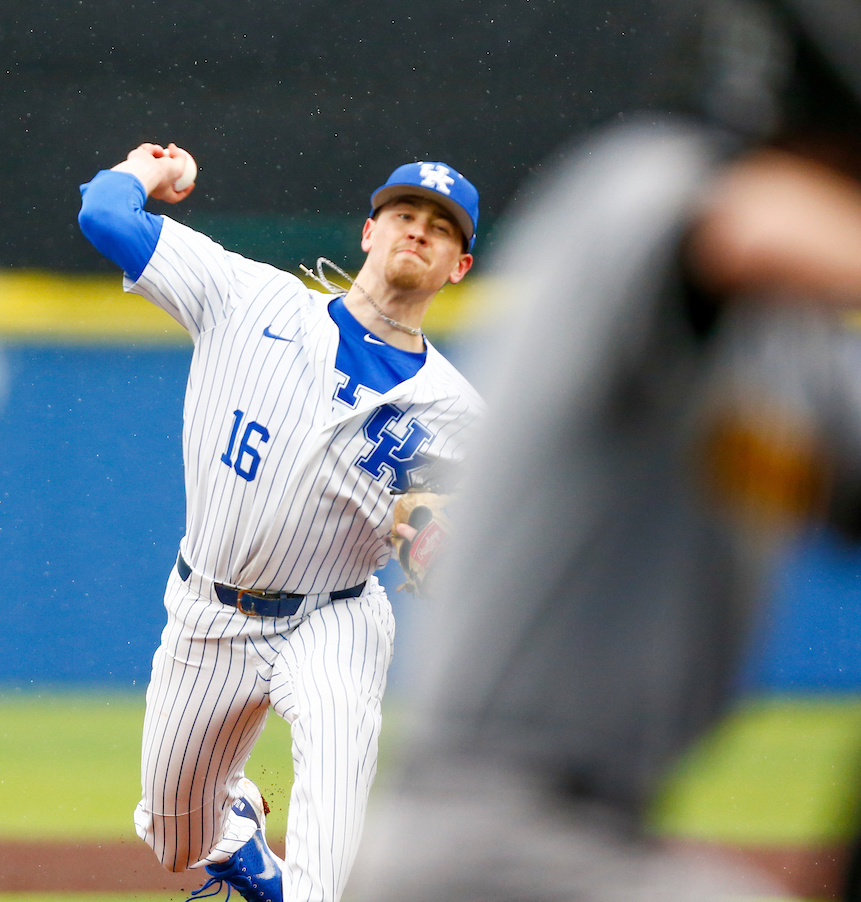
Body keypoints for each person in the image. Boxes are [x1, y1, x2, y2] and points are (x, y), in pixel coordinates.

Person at [347, 118, 861, 902]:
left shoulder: (794, 349)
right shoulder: (641, 186)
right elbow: (748, 229)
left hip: (599, 841)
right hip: (489, 830)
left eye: (437, 225)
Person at [77, 143, 481, 902]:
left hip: (335, 618)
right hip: (209, 616)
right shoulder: (248, 297)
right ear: (369, 231)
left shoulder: (459, 416)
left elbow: (486, 558)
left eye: (442, 227)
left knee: (329, 816)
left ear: (458, 266)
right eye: (404, 214)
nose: (419, 231)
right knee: (173, 841)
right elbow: (104, 214)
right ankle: (237, 834)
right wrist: (146, 170)